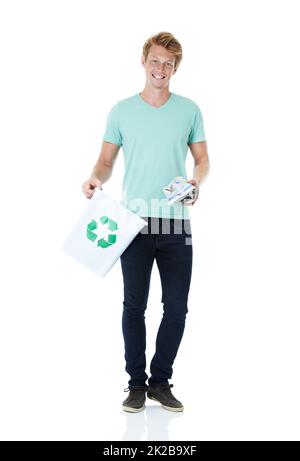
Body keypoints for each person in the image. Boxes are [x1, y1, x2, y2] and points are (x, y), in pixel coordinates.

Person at [82, 31, 210, 413]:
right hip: (132, 222)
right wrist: (94, 179)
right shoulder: (122, 110)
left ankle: (160, 381)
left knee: (176, 308)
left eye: (168, 63)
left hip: (175, 224)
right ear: (144, 61)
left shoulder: (189, 110)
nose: (161, 68)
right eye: (155, 60)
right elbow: (105, 162)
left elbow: (202, 161)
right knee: (133, 305)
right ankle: (136, 385)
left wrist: (194, 181)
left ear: (175, 68)